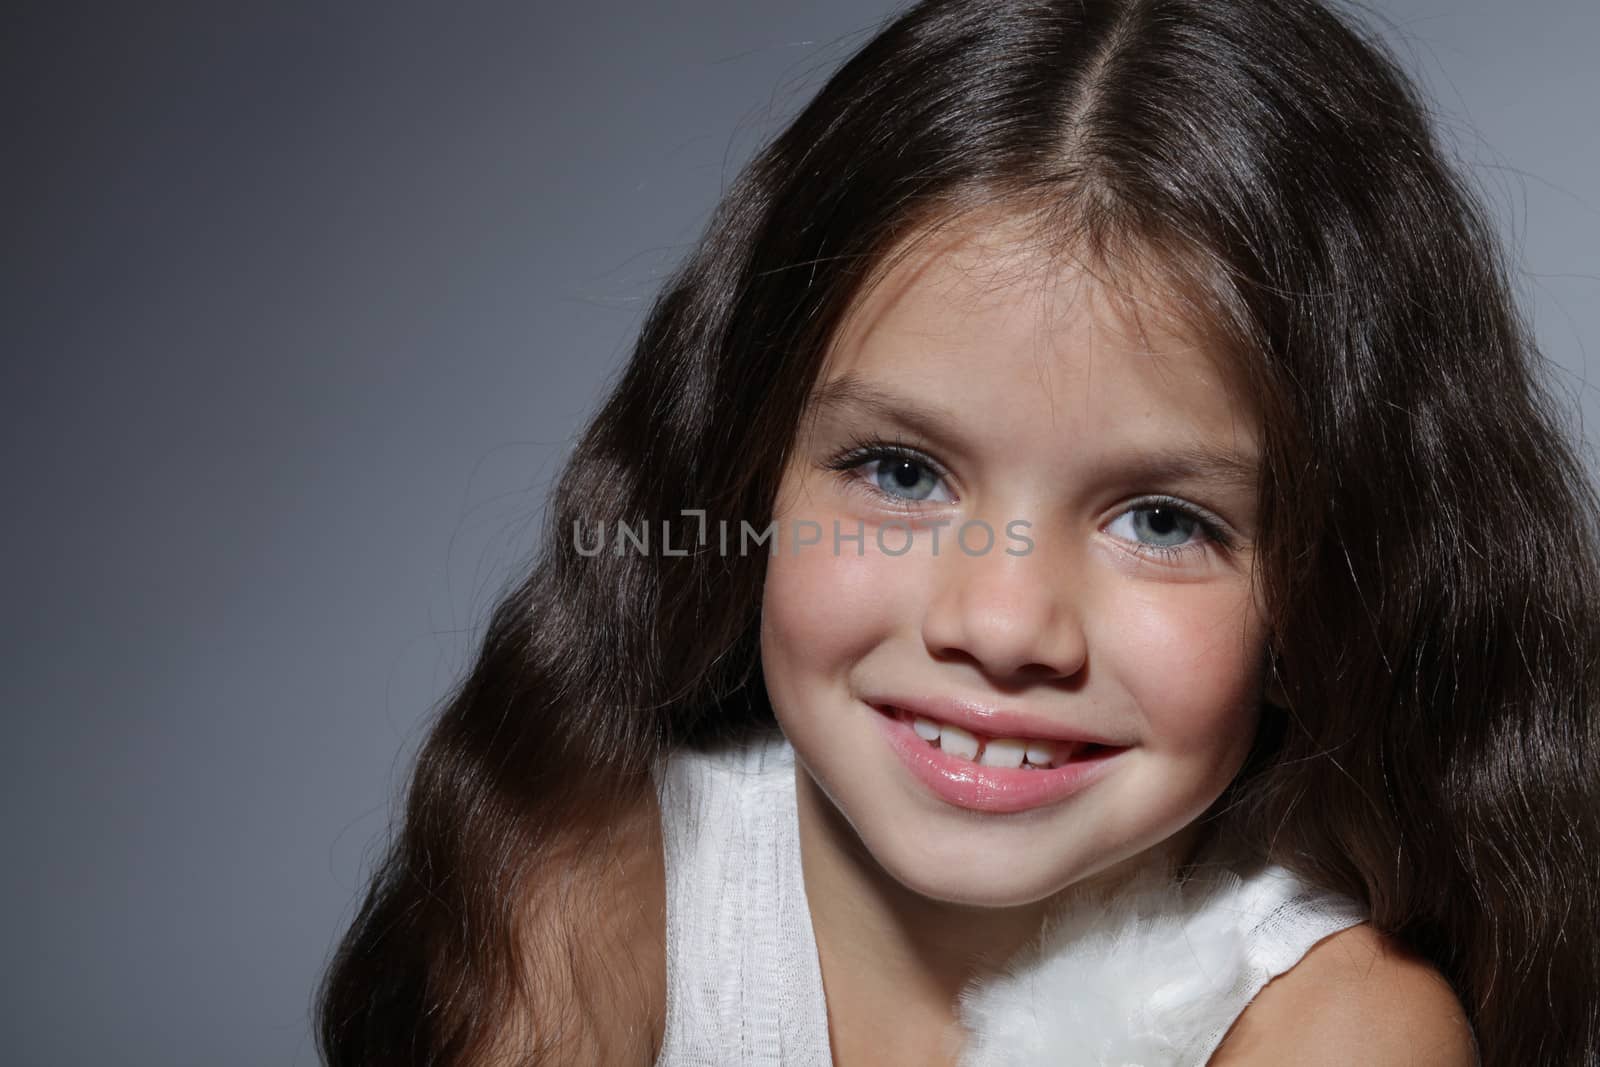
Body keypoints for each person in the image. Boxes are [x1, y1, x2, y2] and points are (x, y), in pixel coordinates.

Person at [315, 0, 1600, 1064]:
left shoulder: (1337, 1028)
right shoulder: (588, 884)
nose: (998, 625)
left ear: (1329, 588)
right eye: (899, 470)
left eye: (1162, 518)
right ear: (750, 476)